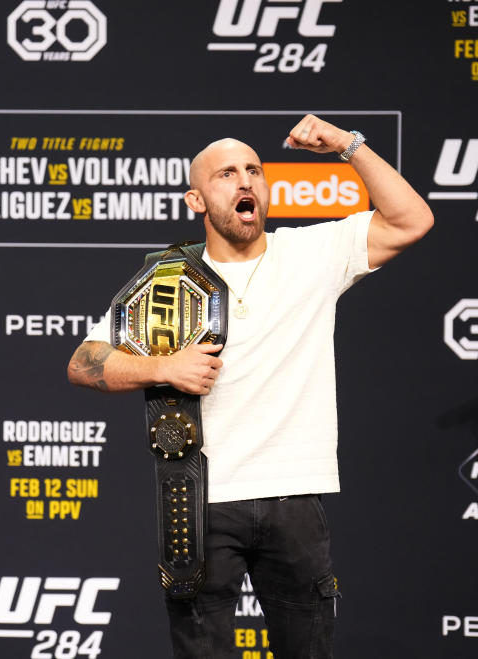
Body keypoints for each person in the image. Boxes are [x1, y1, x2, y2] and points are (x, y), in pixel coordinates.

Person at [67, 115, 433, 657]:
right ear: (196, 199)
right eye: (226, 174)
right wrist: (161, 368)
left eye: (254, 171)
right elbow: (84, 362)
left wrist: (345, 144)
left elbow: (411, 220)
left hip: (294, 497)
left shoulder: (312, 254)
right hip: (201, 502)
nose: (245, 182)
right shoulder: (170, 280)